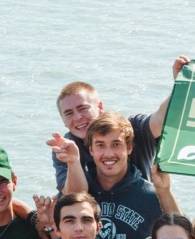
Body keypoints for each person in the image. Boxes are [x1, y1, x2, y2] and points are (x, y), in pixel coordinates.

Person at [49, 107, 180, 239]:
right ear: (91, 150)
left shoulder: (150, 195)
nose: (108, 153)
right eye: (100, 145)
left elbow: (181, 236)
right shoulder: (77, 189)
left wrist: (164, 192)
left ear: (129, 148)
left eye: (116, 144)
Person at [49, 66, 180, 192]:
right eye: (68, 113)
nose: (78, 117)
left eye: (83, 108)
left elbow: (162, 118)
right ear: (63, 121)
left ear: (100, 106)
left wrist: (181, 84)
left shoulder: (131, 129)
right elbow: (72, 194)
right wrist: (73, 161)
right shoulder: (65, 147)